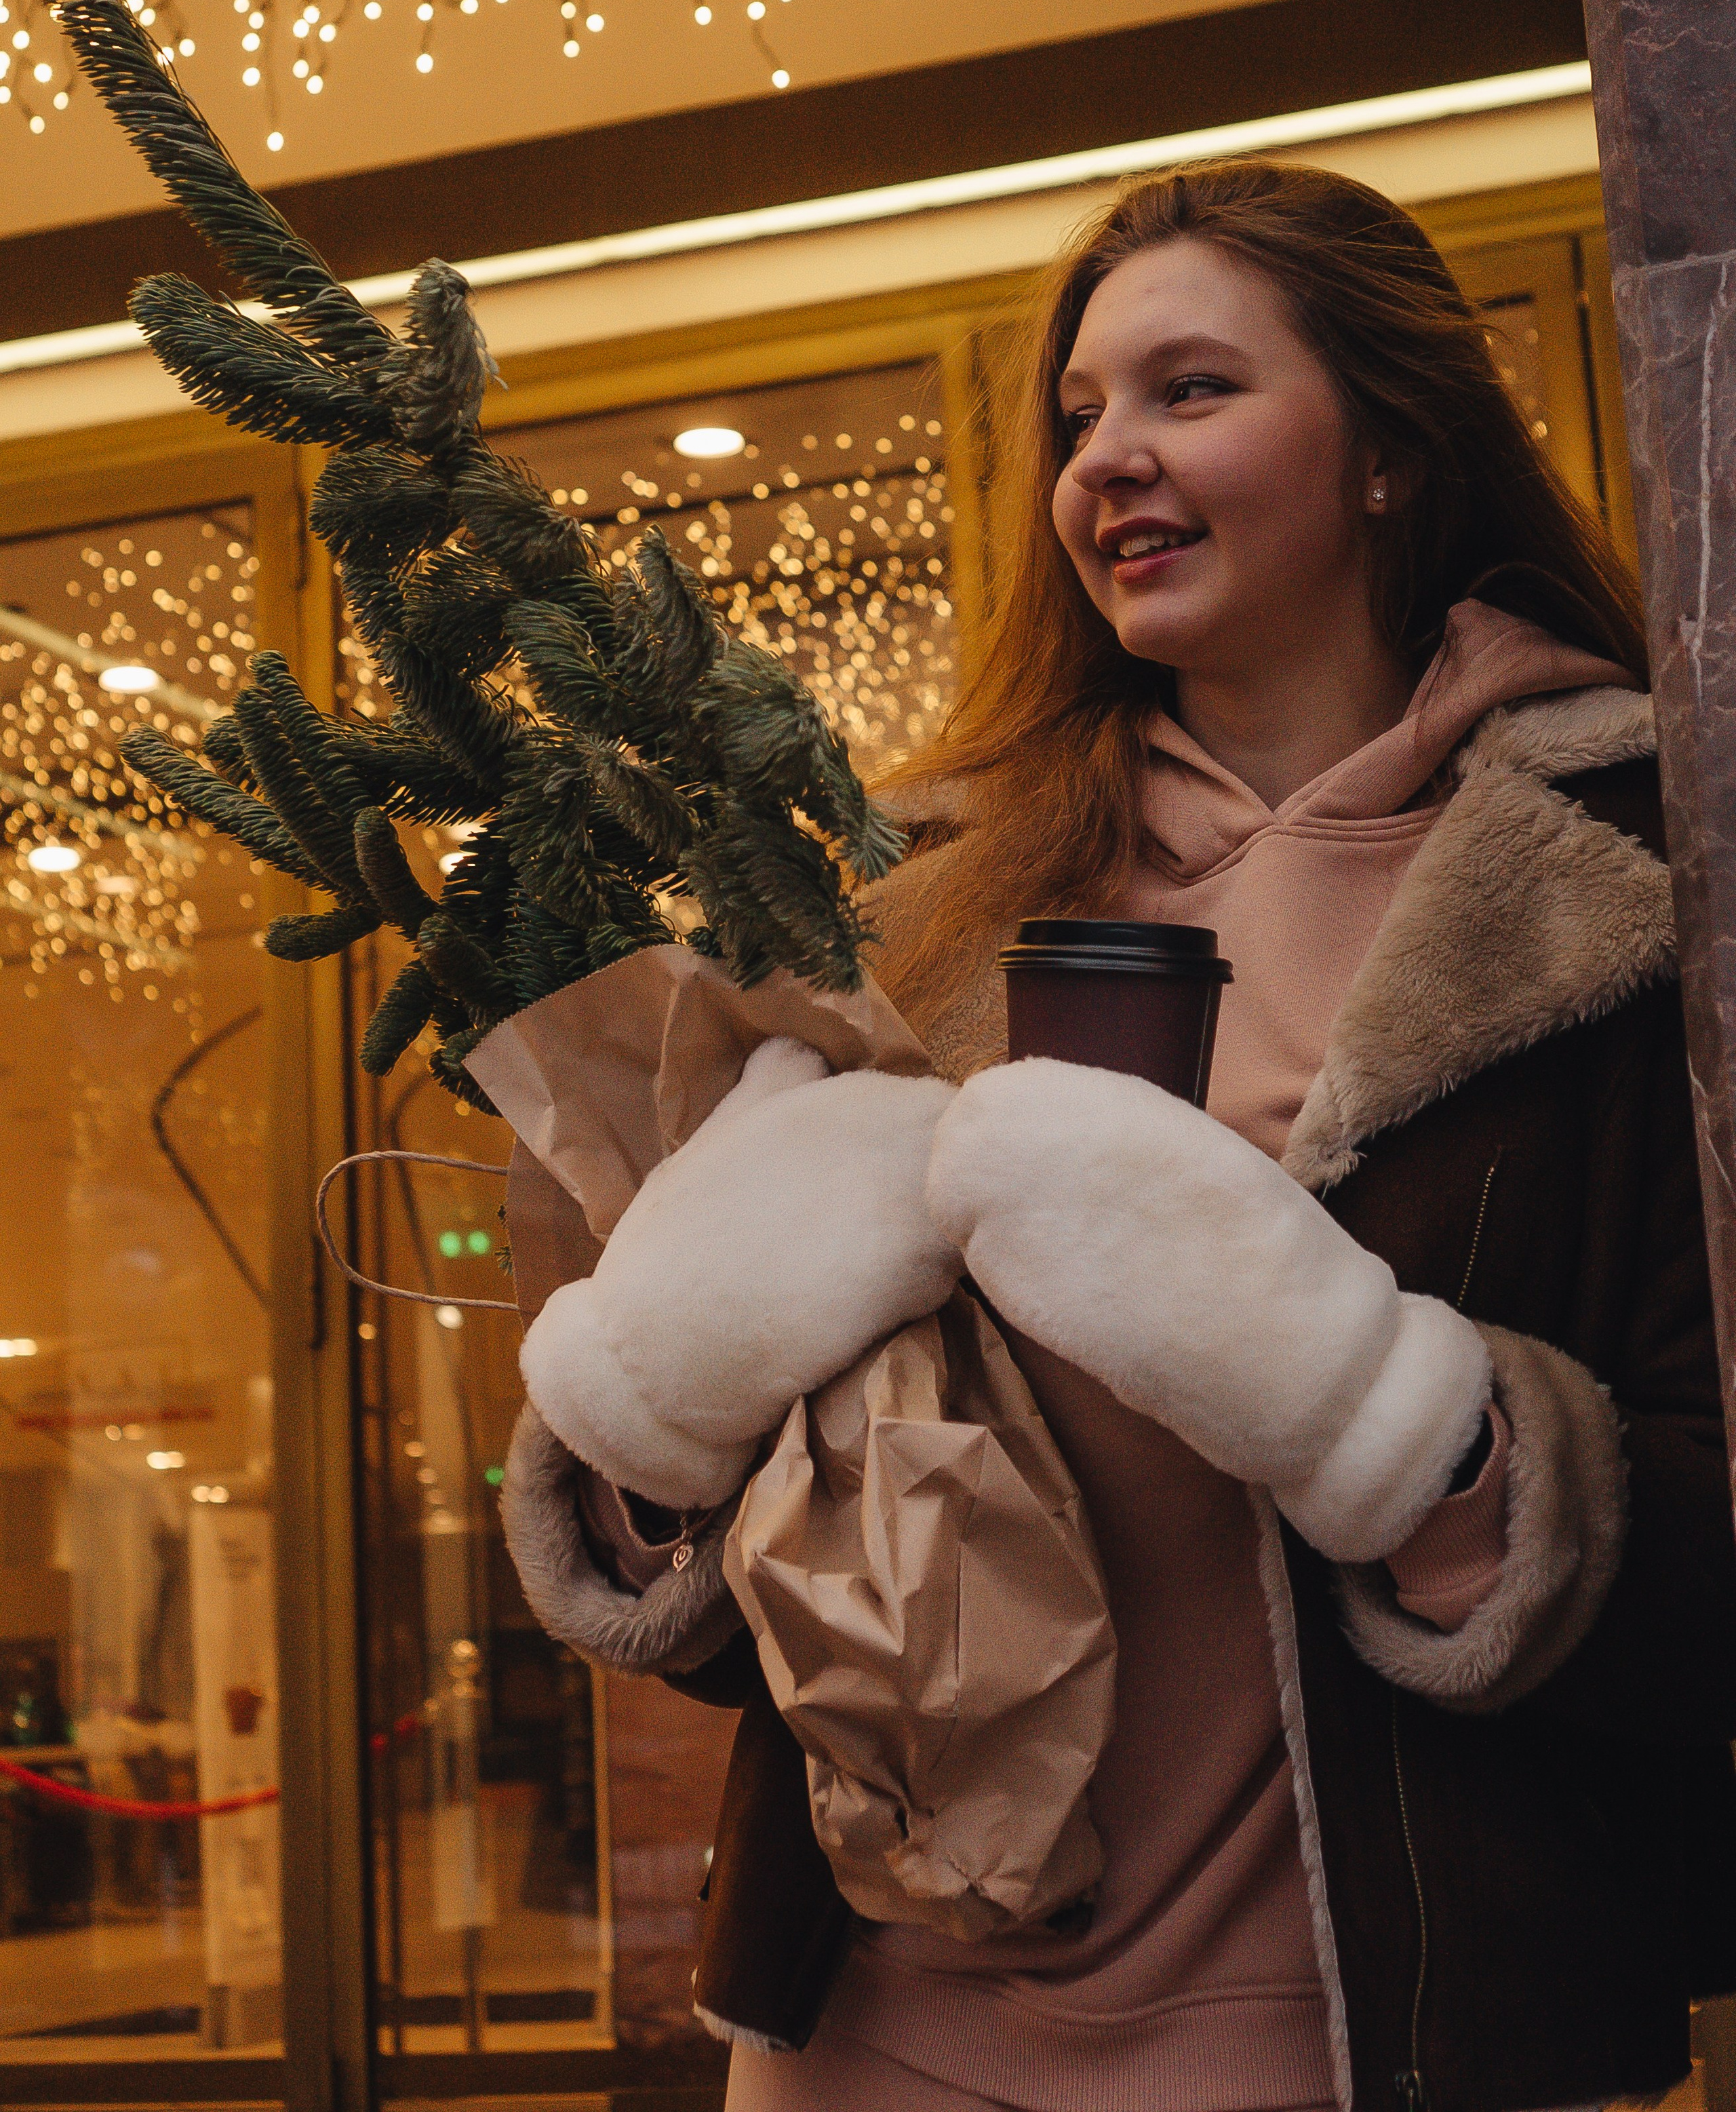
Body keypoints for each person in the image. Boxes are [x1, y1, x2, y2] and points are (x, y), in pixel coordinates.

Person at [503, 159, 1736, 2112]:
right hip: (870, 2033)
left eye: (1192, 389)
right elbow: (732, 1614)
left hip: (1376, 2043)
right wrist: (667, 1394)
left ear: (1393, 450)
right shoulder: (914, 903)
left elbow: (1703, 1571)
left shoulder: (1637, 869)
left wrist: (1381, 1417)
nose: (1107, 462)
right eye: (1079, 418)